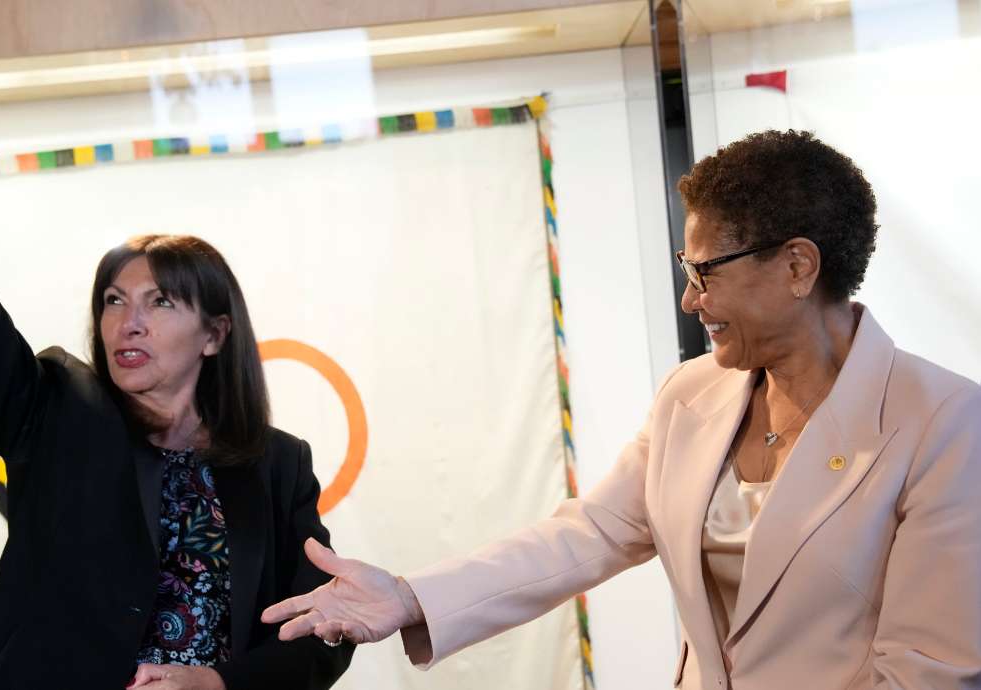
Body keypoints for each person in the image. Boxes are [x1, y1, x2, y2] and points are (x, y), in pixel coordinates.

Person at [263, 129, 981, 689]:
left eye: (705, 272)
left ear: (798, 266)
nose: (690, 300)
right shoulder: (690, 395)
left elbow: (928, 671)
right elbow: (589, 535)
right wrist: (412, 597)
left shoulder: (942, 422)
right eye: (685, 271)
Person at [0, 2, 353, 688]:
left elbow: (323, 631)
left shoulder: (278, 465)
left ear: (216, 334)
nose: (126, 323)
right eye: (113, 300)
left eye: (160, 301)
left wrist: (221, 684)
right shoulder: (55, 412)